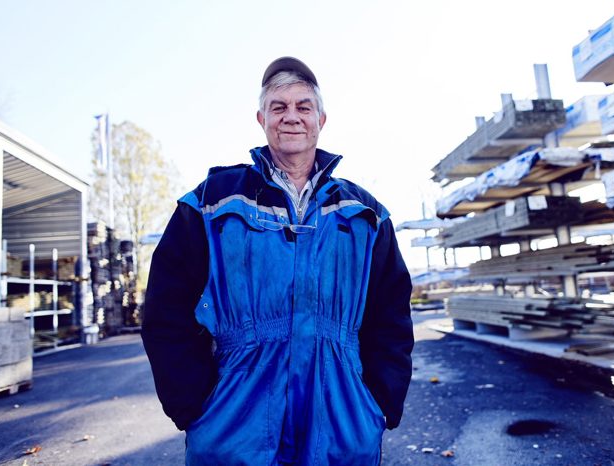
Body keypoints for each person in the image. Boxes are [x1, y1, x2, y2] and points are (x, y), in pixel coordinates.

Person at [142, 56, 414, 465]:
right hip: (235, 425)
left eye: (304, 107)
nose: (292, 117)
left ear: (321, 119)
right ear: (261, 118)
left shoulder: (365, 214)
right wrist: (195, 405)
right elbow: (166, 308)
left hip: (342, 422)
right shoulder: (212, 201)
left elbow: (391, 316)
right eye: (278, 107)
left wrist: (378, 405)